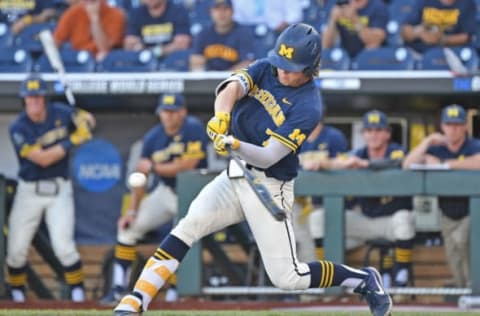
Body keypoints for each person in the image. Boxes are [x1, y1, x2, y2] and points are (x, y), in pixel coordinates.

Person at [114, 23, 392, 316]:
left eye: (291, 67)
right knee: (188, 226)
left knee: (288, 277)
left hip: (269, 185)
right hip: (235, 175)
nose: (283, 71)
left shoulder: (308, 106)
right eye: (281, 63)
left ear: (310, 68)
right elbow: (229, 88)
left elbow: (269, 156)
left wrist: (234, 143)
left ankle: (363, 279)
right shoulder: (267, 67)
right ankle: (136, 300)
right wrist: (221, 117)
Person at [101, 93, 208, 305]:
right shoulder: (153, 137)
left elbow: (189, 165)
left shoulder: (193, 128)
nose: (168, 116)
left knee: (184, 237)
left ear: (182, 112)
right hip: (166, 192)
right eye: (164, 112)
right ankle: (118, 288)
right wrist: (131, 211)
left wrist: (155, 167)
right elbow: (141, 177)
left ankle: (176, 290)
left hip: (192, 194)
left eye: (172, 111)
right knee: (128, 229)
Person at [7, 74, 95, 302]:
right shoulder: (18, 127)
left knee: (64, 247)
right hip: (29, 191)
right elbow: (42, 158)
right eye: (29, 97)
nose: (34, 102)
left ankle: (77, 293)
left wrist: (84, 119)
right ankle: (17, 294)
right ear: (24, 100)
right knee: (16, 250)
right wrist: (74, 140)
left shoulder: (61, 112)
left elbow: (88, 121)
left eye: (37, 97)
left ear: (44, 98)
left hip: (59, 190)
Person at [309, 110, 415, 288]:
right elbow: (339, 161)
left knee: (404, 218)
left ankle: (401, 275)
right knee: (318, 218)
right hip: (365, 220)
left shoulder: (396, 151)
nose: (373, 134)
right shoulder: (358, 152)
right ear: (364, 134)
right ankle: (324, 278)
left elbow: (400, 162)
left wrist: (366, 165)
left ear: (387, 133)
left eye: (378, 130)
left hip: (390, 221)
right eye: (369, 130)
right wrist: (322, 163)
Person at [403, 104, 480, 288]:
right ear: (443, 127)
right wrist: (427, 142)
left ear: (464, 126)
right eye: (449, 124)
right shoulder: (437, 148)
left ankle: (474, 288)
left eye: (457, 124)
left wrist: (444, 164)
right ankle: (464, 289)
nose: (453, 129)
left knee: (464, 242)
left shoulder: (473, 145)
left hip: (473, 211)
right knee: (453, 253)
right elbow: (407, 164)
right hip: (447, 211)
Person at [293, 120, 349, 262]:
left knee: (317, 222)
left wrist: (323, 164)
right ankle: (312, 275)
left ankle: (321, 272)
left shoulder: (333, 136)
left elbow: (345, 165)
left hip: (327, 203)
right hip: (300, 203)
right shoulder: (293, 136)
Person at [189, 0, 255, 71]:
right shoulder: (203, 34)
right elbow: (195, 59)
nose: (221, 13)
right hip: (208, 78)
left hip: (235, 79)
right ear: (210, 12)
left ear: (232, 11)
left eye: (225, 9)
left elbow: (248, 63)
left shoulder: (243, 33)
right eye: (217, 9)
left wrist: (224, 77)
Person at [54, 0, 125, 60]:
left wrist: (94, 19)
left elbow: (104, 49)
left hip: (105, 61)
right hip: (78, 59)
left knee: (103, 56)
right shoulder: (73, 13)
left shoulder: (115, 15)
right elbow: (56, 41)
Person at [401, 0, 476, 54]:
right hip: (419, 51)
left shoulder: (467, 3)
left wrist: (441, 39)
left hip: (450, 53)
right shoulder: (424, 2)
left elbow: (467, 37)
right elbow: (405, 29)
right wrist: (417, 32)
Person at [123, 0, 191, 60]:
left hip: (173, 61)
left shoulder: (178, 11)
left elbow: (182, 44)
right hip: (144, 63)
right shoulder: (136, 13)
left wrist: (155, 51)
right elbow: (130, 44)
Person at [322, 0, 388, 58]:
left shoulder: (377, 7)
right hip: (344, 59)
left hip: (368, 61)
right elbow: (325, 45)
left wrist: (355, 19)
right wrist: (332, 20)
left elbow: (375, 42)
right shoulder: (340, 4)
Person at [231, 0, 302, 34]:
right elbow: (233, 16)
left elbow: (295, 14)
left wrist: (285, 23)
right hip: (245, 31)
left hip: (276, 31)